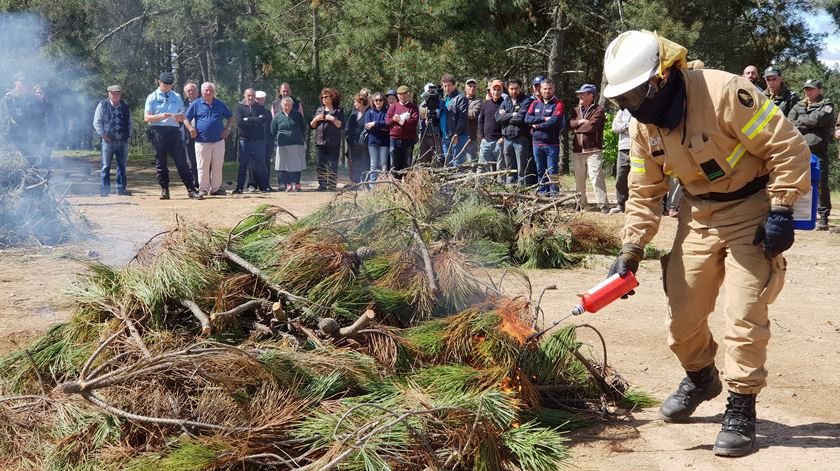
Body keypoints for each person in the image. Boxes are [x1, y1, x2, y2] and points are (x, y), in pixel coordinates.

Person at [603, 30, 810, 457]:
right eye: (622, 101)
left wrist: (782, 209)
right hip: (697, 215)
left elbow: (787, 146)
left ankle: (741, 405)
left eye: (634, 97)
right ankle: (701, 378)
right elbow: (644, 192)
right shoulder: (646, 129)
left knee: (744, 316)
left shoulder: (725, 93)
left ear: (659, 79)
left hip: (750, 209)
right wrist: (631, 249)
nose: (631, 109)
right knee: (682, 323)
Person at [144, 72, 200, 200]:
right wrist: (160, 116)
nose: (167, 87)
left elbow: (183, 115)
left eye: (169, 85)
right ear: (159, 83)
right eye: (165, 85)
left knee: (182, 162)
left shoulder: (176, 96)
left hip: (174, 131)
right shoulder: (152, 97)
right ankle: (164, 189)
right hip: (158, 130)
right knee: (161, 162)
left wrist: (189, 127)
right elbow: (146, 117)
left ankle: (191, 189)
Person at [788, 79, 835, 231]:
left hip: (817, 151)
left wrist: (800, 123)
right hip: (798, 150)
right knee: (794, 181)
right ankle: (795, 214)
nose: (808, 92)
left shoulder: (827, 106)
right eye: (806, 89)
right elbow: (789, 123)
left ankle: (823, 217)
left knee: (821, 183)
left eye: (812, 89)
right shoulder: (798, 105)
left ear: (820, 90)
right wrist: (809, 125)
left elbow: (819, 118)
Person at [183, 81, 234, 197]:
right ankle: (203, 189)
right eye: (206, 90)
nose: (209, 92)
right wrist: (190, 128)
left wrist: (228, 129)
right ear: (202, 92)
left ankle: (216, 188)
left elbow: (230, 117)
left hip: (219, 141)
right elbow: (185, 118)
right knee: (202, 166)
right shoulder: (196, 104)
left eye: (211, 90)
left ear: (214, 92)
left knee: (217, 165)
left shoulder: (220, 104)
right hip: (202, 141)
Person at [569, 83, 609, 212]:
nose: (579, 95)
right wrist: (580, 122)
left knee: (596, 177)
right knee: (579, 179)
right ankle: (581, 204)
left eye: (582, 93)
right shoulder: (575, 110)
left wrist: (575, 129)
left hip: (593, 150)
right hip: (577, 150)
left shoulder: (599, 110)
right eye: (579, 93)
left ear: (591, 95)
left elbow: (591, 127)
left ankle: (603, 205)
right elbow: (569, 124)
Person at [525, 78, 565, 195]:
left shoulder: (558, 104)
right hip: (536, 142)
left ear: (554, 89)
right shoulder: (535, 103)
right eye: (544, 89)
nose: (547, 91)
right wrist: (543, 119)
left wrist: (537, 126)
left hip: (551, 143)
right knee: (540, 170)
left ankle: (554, 195)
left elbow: (554, 121)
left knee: (552, 171)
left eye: (549, 89)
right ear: (540, 90)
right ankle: (543, 194)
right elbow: (527, 119)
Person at [92, 84, 132, 196]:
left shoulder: (125, 106)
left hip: (122, 140)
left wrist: (128, 134)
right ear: (108, 93)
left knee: (122, 166)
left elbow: (130, 123)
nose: (116, 95)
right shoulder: (102, 105)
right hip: (107, 141)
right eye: (113, 93)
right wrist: (103, 135)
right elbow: (97, 122)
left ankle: (121, 189)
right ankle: (105, 190)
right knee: (105, 166)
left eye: (118, 93)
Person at [497, 78, 535, 185]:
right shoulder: (506, 101)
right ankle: (510, 193)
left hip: (521, 139)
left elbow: (521, 118)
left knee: (522, 169)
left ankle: (523, 193)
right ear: (507, 89)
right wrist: (511, 114)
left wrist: (506, 115)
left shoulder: (527, 100)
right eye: (511, 89)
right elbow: (497, 118)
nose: (514, 91)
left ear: (521, 88)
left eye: (516, 88)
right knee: (510, 169)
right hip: (507, 139)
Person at [233, 88, 270, 194]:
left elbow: (262, 120)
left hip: (259, 140)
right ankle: (239, 187)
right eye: (249, 95)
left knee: (262, 164)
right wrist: (254, 120)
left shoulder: (260, 107)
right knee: (243, 164)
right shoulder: (239, 107)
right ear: (244, 96)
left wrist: (247, 119)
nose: (251, 98)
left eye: (253, 96)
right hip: (245, 140)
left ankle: (266, 187)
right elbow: (239, 122)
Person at [310, 87, 345, 191]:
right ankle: (322, 185)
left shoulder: (338, 111)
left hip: (333, 142)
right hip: (320, 141)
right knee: (320, 164)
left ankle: (332, 185)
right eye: (323, 97)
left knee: (332, 164)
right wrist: (316, 119)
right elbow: (312, 126)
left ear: (332, 97)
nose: (324, 98)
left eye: (326, 96)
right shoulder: (319, 110)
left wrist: (333, 119)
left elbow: (341, 125)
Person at [271, 96, 307, 192]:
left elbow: (303, 127)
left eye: (288, 105)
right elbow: (273, 130)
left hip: (296, 143)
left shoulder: (297, 115)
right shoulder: (277, 116)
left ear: (292, 105)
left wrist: (296, 136)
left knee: (296, 165)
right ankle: (288, 185)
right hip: (283, 144)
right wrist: (279, 137)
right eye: (285, 105)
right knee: (284, 166)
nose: (286, 107)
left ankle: (297, 184)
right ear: (281, 105)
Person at [0, 72, 39, 159]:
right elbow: (4, 120)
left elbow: (37, 117)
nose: (24, 83)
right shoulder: (8, 98)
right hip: (13, 135)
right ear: (15, 82)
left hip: (30, 135)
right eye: (21, 81)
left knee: (30, 162)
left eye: (26, 81)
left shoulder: (32, 98)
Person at [386, 85, 419, 174]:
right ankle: (394, 184)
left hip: (408, 140)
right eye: (400, 94)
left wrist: (400, 121)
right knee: (393, 164)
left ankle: (405, 185)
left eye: (404, 94)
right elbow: (388, 121)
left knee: (407, 164)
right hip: (394, 139)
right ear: (397, 95)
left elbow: (413, 123)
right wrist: (394, 120)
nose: (402, 96)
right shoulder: (393, 107)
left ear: (408, 95)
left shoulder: (413, 108)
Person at [438, 74, 469, 166]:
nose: (446, 88)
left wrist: (456, 134)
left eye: (449, 85)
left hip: (457, 136)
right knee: (447, 164)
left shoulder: (460, 98)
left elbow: (462, 118)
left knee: (457, 163)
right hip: (445, 136)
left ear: (454, 85)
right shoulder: (446, 99)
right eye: (444, 86)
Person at [477, 78, 505, 173]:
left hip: (499, 142)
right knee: (482, 167)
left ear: (502, 91)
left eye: (498, 90)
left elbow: (509, 123)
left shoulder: (505, 104)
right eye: (494, 89)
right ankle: (481, 185)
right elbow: (481, 121)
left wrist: (503, 137)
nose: (496, 92)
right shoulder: (485, 104)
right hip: (486, 141)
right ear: (490, 90)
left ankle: (501, 186)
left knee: (501, 168)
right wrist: (482, 137)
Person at [610, 107, 631, 213]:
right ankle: (621, 205)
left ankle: (638, 205)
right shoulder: (622, 111)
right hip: (623, 148)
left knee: (638, 178)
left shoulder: (643, 106)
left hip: (638, 148)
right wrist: (627, 125)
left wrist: (624, 126)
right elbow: (614, 127)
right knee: (621, 178)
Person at [364, 92, 390, 179]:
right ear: (373, 101)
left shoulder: (387, 112)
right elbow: (367, 126)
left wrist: (375, 123)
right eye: (376, 100)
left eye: (380, 100)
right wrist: (381, 126)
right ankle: (373, 186)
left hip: (384, 142)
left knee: (383, 165)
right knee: (373, 164)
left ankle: (382, 186)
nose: (378, 102)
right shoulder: (369, 112)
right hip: (372, 142)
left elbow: (387, 125)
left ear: (383, 101)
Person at [346, 94, 369, 184]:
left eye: (356, 102)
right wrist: (350, 141)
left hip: (364, 146)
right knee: (355, 165)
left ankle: (364, 183)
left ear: (362, 103)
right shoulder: (353, 115)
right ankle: (355, 183)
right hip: (353, 145)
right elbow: (348, 129)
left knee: (364, 164)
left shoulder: (368, 114)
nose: (354, 104)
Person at [181, 82, 200, 190]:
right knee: (191, 162)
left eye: (193, 90)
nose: (191, 92)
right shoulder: (182, 105)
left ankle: (205, 183)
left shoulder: (203, 103)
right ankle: (194, 184)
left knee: (203, 161)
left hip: (202, 137)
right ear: (185, 93)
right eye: (188, 91)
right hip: (188, 137)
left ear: (197, 92)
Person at [464, 78, 482, 164]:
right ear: (465, 88)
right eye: (470, 86)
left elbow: (473, 114)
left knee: (471, 163)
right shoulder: (460, 99)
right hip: (458, 137)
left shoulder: (478, 102)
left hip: (471, 137)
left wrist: (459, 112)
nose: (472, 88)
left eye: (474, 86)